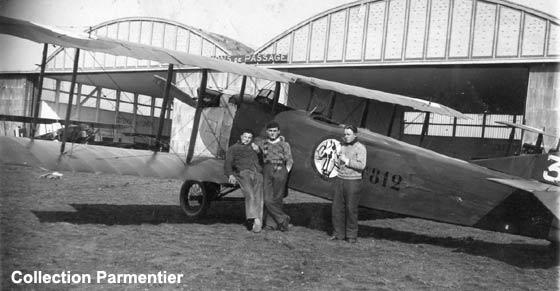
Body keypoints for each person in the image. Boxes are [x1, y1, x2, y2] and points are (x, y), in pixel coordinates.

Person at [330, 125, 367, 243]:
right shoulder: (342, 146)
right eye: (345, 134)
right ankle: (338, 234)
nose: (346, 136)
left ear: (355, 135)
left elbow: (362, 165)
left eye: (348, 134)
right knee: (337, 208)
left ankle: (351, 236)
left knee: (351, 209)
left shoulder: (360, 148)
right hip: (340, 179)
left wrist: (347, 161)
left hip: (353, 181)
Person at [255, 122, 293, 231]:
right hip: (267, 168)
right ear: (267, 132)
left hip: (280, 169)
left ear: (279, 131)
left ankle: (271, 225)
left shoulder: (284, 144)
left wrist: (285, 171)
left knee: (277, 197)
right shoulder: (263, 143)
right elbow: (255, 142)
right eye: (270, 131)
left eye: (275, 131)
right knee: (267, 198)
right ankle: (283, 218)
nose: (272, 133)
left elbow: (289, 160)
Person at [224, 129, 264, 233]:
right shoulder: (233, 148)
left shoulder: (254, 147)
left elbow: (263, 159)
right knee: (250, 194)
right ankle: (255, 218)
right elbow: (228, 163)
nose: (247, 140)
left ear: (252, 139)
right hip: (243, 173)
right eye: (245, 137)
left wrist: (259, 151)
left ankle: (257, 222)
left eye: (249, 138)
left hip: (257, 173)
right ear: (241, 137)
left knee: (258, 196)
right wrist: (230, 175)